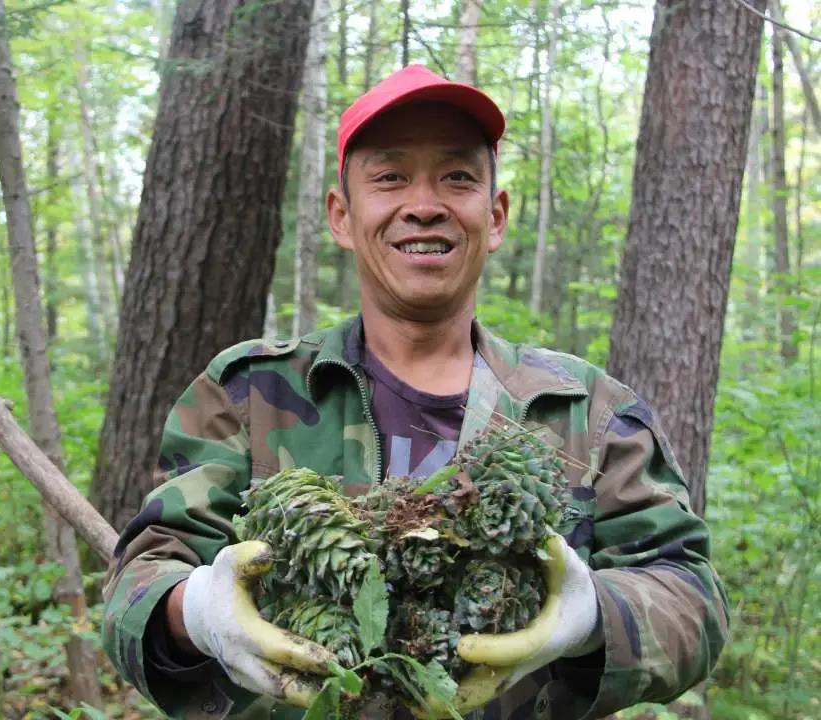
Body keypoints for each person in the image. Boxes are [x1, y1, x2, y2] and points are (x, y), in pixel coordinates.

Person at [101, 65, 729, 720]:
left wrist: (594, 616)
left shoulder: (586, 411)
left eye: (457, 177)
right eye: (391, 176)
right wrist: (196, 612)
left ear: (496, 215)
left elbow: (693, 596)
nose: (424, 203)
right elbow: (139, 580)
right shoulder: (249, 393)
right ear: (342, 216)